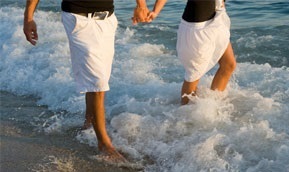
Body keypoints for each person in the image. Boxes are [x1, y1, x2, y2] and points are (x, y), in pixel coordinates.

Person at [23, 0, 165, 163]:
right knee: (97, 81)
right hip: (79, 20)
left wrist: (141, 5)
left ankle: (89, 123)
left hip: (107, 19)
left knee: (100, 77)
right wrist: (28, 18)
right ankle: (103, 144)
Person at [176, 0, 237, 105]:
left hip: (217, 18)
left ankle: (214, 105)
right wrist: (147, 8)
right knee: (193, 76)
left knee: (228, 65)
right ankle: (185, 115)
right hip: (198, 27)